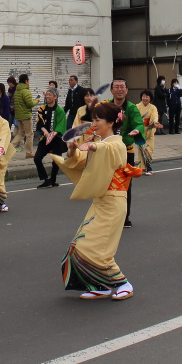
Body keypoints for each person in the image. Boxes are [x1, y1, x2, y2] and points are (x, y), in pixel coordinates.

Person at [52, 102, 137, 300]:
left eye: (98, 119)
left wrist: (92, 145)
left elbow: (107, 150)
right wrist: (73, 150)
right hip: (101, 202)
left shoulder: (117, 144)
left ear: (110, 122)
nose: (94, 123)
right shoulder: (101, 143)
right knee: (81, 245)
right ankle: (100, 285)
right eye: (94, 119)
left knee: (101, 247)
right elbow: (81, 160)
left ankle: (123, 283)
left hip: (114, 203)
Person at [102, 79, 145, 228]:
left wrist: (137, 130)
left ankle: (124, 217)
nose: (119, 89)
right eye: (116, 87)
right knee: (106, 182)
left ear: (127, 90)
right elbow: (98, 121)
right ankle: (108, 215)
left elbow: (138, 122)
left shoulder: (132, 108)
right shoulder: (106, 106)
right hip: (108, 151)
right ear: (111, 90)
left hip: (126, 151)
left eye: (122, 87)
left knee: (125, 184)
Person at [34, 89, 67, 188]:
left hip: (56, 138)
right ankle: (46, 179)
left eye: (50, 95)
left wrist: (53, 133)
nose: (47, 96)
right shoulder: (42, 108)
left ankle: (53, 180)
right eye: (47, 95)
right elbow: (39, 122)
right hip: (45, 138)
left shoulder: (59, 110)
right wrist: (45, 132)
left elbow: (61, 124)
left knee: (56, 160)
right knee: (37, 158)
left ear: (55, 97)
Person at [11, 74, 37, 158]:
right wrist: (36, 101)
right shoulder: (25, 91)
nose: (29, 82)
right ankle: (29, 153)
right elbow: (29, 104)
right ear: (26, 81)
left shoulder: (17, 91)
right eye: (28, 80)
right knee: (29, 134)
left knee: (21, 133)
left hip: (18, 116)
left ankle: (9, 149)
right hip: (26, 116)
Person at [136, 90, 162, 175]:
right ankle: (147, 168)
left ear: (150, 98)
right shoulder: (137, 106)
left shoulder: (153, 108)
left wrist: (155, 122)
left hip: (149, 131)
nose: (145, 98)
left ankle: (144, 167)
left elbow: (154, 116)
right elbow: (134, 117)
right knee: (142, 150)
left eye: (147, 96)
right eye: (143, 96)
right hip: (140, 132)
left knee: (149, 149)